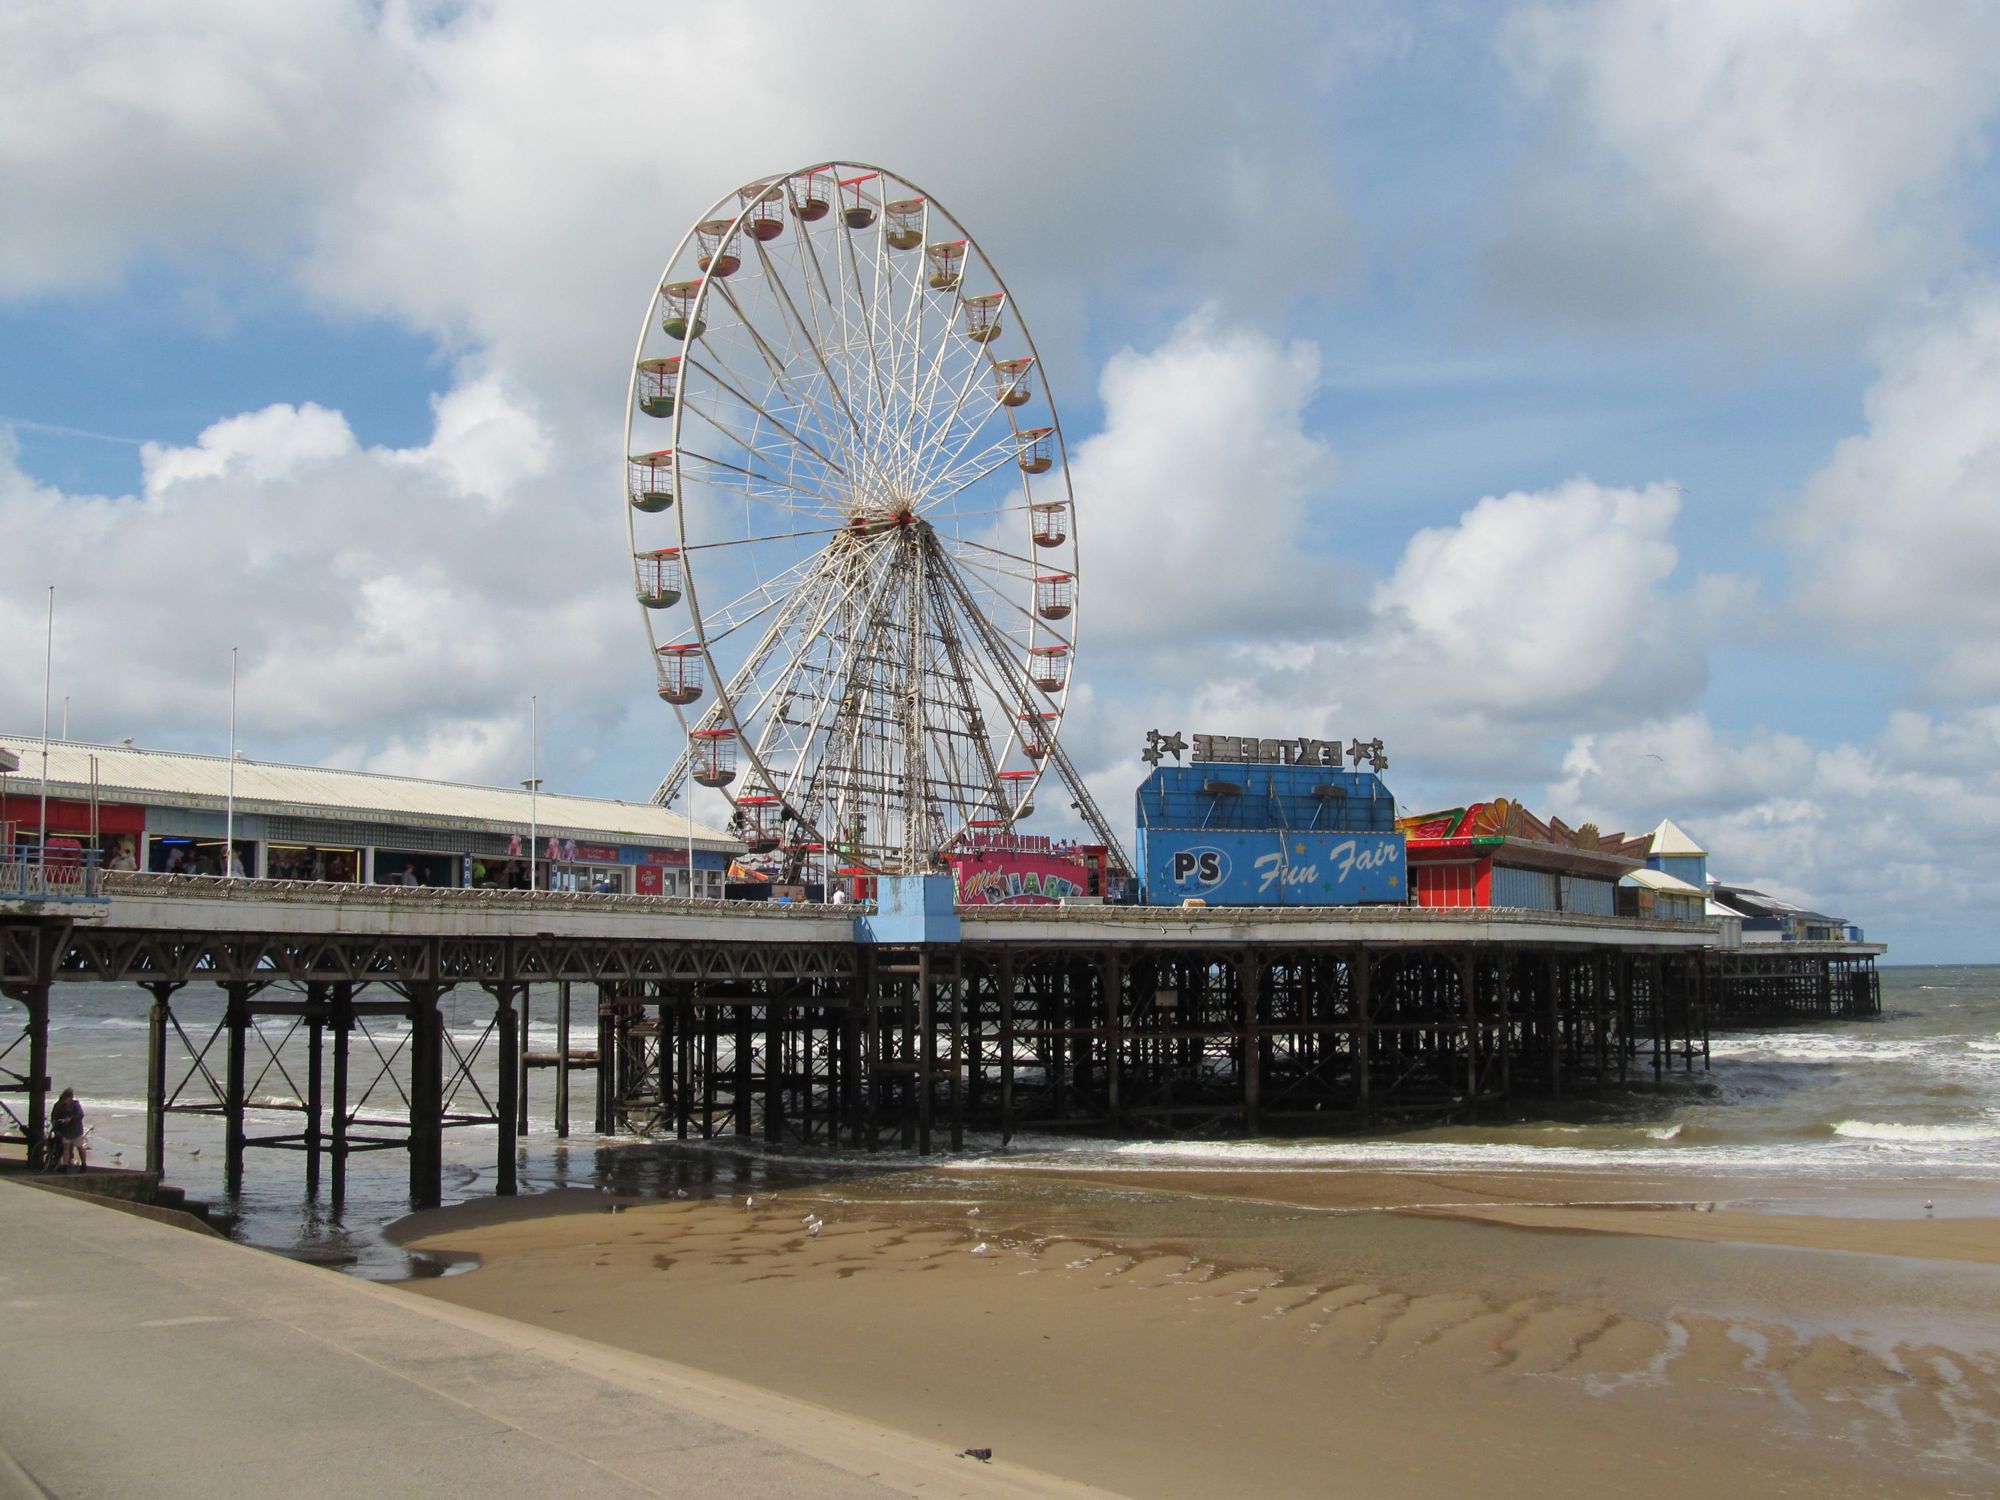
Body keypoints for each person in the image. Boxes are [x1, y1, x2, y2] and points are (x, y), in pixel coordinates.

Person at [50, 1088, 85, 1172]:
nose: (65, 1100)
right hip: (66, 1131)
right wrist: (57, 1126)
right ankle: (65, 1166)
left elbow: (80, 1114)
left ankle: (84, 1164)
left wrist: (71, 1118)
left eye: (66, 1098)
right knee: (66, 1147)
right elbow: (56, 1117)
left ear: (70, 1098)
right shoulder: (61, 1105)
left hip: (76, 1130)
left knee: (79, 1147)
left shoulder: (76, 1105)